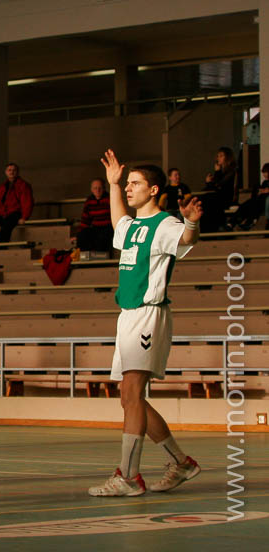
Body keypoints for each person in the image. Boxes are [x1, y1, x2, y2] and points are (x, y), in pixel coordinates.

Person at [88, 150, 202, 497]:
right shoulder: (133, 225)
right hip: (127, 316)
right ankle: (181, 463)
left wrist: (191, 223)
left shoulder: (165, 223)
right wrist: (112, 184)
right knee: (128, 398)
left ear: (153, 190)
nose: (129, 189)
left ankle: (128, 476)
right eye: (128, 183)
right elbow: (118, 221)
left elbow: (186, 240)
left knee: (133, 394)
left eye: (135, 184)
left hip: (149, 313)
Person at [0, 163, 34, 244]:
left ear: (17, 172)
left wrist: (24, 217)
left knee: (8, 222)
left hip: (16, 213)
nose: (11, 172)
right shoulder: (3, 186)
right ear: (6, 172)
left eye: (14, 170)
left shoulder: (23, 185)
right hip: (3, 213)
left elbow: (27, 202)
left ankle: (2, 244)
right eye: (9, 170)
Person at [200, 147, 238, 232]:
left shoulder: (231, 172)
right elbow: (212, 188)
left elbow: (220, 186)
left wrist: (216, 173)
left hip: (226, 198)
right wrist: (209, 183)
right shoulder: (221, 172)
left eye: (221, 156)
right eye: (218, 156)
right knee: (203, 199)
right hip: (217, 197)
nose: (218, 158)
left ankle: (213, 229)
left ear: (227, 158)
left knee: (208, 201)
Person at [76, 178, 112, 253]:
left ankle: (100, 259)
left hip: (108, 227)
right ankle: (85, 260)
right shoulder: (89, 201)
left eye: (100, 188)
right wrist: (79, 234)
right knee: (83, 235)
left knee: (102, 238)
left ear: (104, 189)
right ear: (92, 190)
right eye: (95, 188)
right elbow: (85, 220)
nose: (97, 190)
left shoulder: (109, 198)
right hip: (95, 228)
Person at [229, 163, 268, 230]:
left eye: (267, 172)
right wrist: (260, 191)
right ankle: (232, 222)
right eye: (264, 172)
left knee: (255, 203)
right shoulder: (265, 182)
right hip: (257, 201)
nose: (266, 174)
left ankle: (249, 222)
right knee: (247, 204)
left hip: (263, 202)